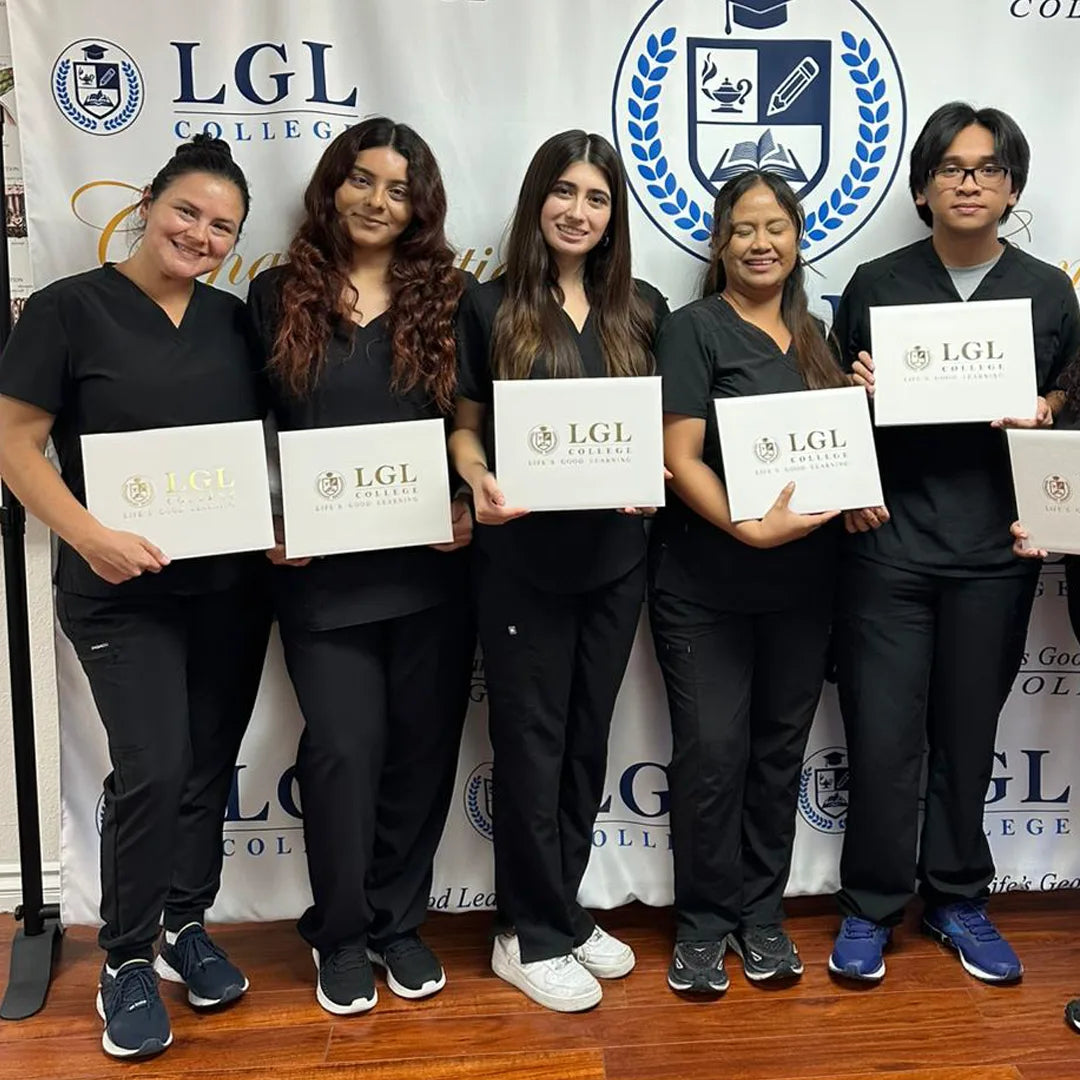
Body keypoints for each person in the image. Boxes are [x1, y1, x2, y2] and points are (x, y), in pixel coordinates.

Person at [0, 136, 271, 1059]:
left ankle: (184, 927)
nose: (200, 233)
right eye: (186, 211)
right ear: (148, 202)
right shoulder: (67, 311)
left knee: (205, 766)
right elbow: (12, 440)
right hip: (118, 592)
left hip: (229, 587)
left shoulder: (236, 321)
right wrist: (88, 535)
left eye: (222, 225)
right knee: (153, 766)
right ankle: (124, 958)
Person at [828, 102, 1080, 986]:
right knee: (884, 735)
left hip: (994, 554)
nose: (968, 182)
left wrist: (1048, 410)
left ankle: (959, 900)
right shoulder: (875, 283)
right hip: (889, 546)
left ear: (1012, 187)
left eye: (986, 168)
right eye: (950, 168)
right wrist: (857, 404)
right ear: (923, 185)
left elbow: (1074, 413)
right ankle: (868, 907)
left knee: (968, 735)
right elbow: (825, 419)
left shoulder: (1051, 290)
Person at [247, 117, 474, 1017]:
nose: (379, 202)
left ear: (420, 206)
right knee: (344, 752)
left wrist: (466, 504)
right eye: (363, 181)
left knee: (421, 754)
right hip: (321, 578)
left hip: (432, 572)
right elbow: (242, 431)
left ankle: (396, 924)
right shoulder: (274, 296)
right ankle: (339, 935)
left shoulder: (453, 298)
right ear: (332, 186)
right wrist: (265, 518)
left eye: (399, 189)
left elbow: (473, 424)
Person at [449, 130, 667, 1012]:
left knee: (584, 741)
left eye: (599, 198)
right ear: (537, 198)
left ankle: (561, 912)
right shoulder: (489, 304)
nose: (579, 211)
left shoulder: (642, 309)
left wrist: (649, 473)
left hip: (616, 561)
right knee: (531, 746)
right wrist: (473, 475)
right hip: (521, 563)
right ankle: (523, 934)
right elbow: (464, 426)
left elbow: (652, 429)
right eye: (565, 192)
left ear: (615, 217)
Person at [649, 170, 847, 995]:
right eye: (743, 229)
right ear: (719, 243)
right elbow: (676, 457)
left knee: (775, 757)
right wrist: (745, 524)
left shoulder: (815, 334)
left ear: (798, 238)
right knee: (711, 758)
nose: (761, 243)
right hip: (705, 587)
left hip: (805, 589)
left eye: (777, 227)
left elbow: (835, 454)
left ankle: (760, 917)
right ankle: (702, 924)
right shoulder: (694, 329)